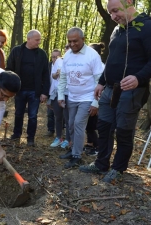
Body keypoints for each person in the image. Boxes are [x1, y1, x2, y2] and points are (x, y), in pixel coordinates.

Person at [79, 0, 151, 182]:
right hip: (109, 88)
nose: (113, 16)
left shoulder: (147, 27)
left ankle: (118, 168)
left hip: (131, 90)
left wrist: (138, 78)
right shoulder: (118, 30)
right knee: (104, 126)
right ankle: (101, 164)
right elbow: (111, 59)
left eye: (116, 11)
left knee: (124, 130)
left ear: (128, 3)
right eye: (110, 13)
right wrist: (101, 82)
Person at [57, 27, 104, 169]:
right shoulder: (68, 56)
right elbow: (64, 77)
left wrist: (96, 102)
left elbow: (99, 80)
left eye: (75, 41)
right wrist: (60, 95)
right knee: (70, 124)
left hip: (88, 97)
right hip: (72, 96)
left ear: (83, 39)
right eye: (69, 41)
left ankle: (77, 156)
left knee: (78, 124)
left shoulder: (93, 55)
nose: (72, 44)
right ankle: (72, 149)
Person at [6, 29, 50, 146]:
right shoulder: (17, 51)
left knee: (33, 116)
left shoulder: (42, 54)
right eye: (37, 40)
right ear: (28, 39)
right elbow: (9, 69)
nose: (39, 42)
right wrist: (10, 87)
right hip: (19, 89)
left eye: (39, 40)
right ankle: (16, 134)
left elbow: (46, 73)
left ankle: (31, 138)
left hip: (35, 91)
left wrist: (45, 92)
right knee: (18, 113)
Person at [83, 42, 106, 156]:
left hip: (96, 100)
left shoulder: (101, 66)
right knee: (88, 124)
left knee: (92, 125)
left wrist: (96, 103)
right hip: (89, 98)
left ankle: (97, 147)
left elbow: (101, 86)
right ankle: (90, 143)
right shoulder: (91, 64)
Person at [48, 47, 70, 149]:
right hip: (58, 93)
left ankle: (68, 140)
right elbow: (53, 76)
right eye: (66, 48)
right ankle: (58, 137)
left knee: (68, 118)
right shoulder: (58, 61)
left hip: (69, 94)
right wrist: (57, 74)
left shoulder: (76, 62)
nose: (67, 49)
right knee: (58, 117)